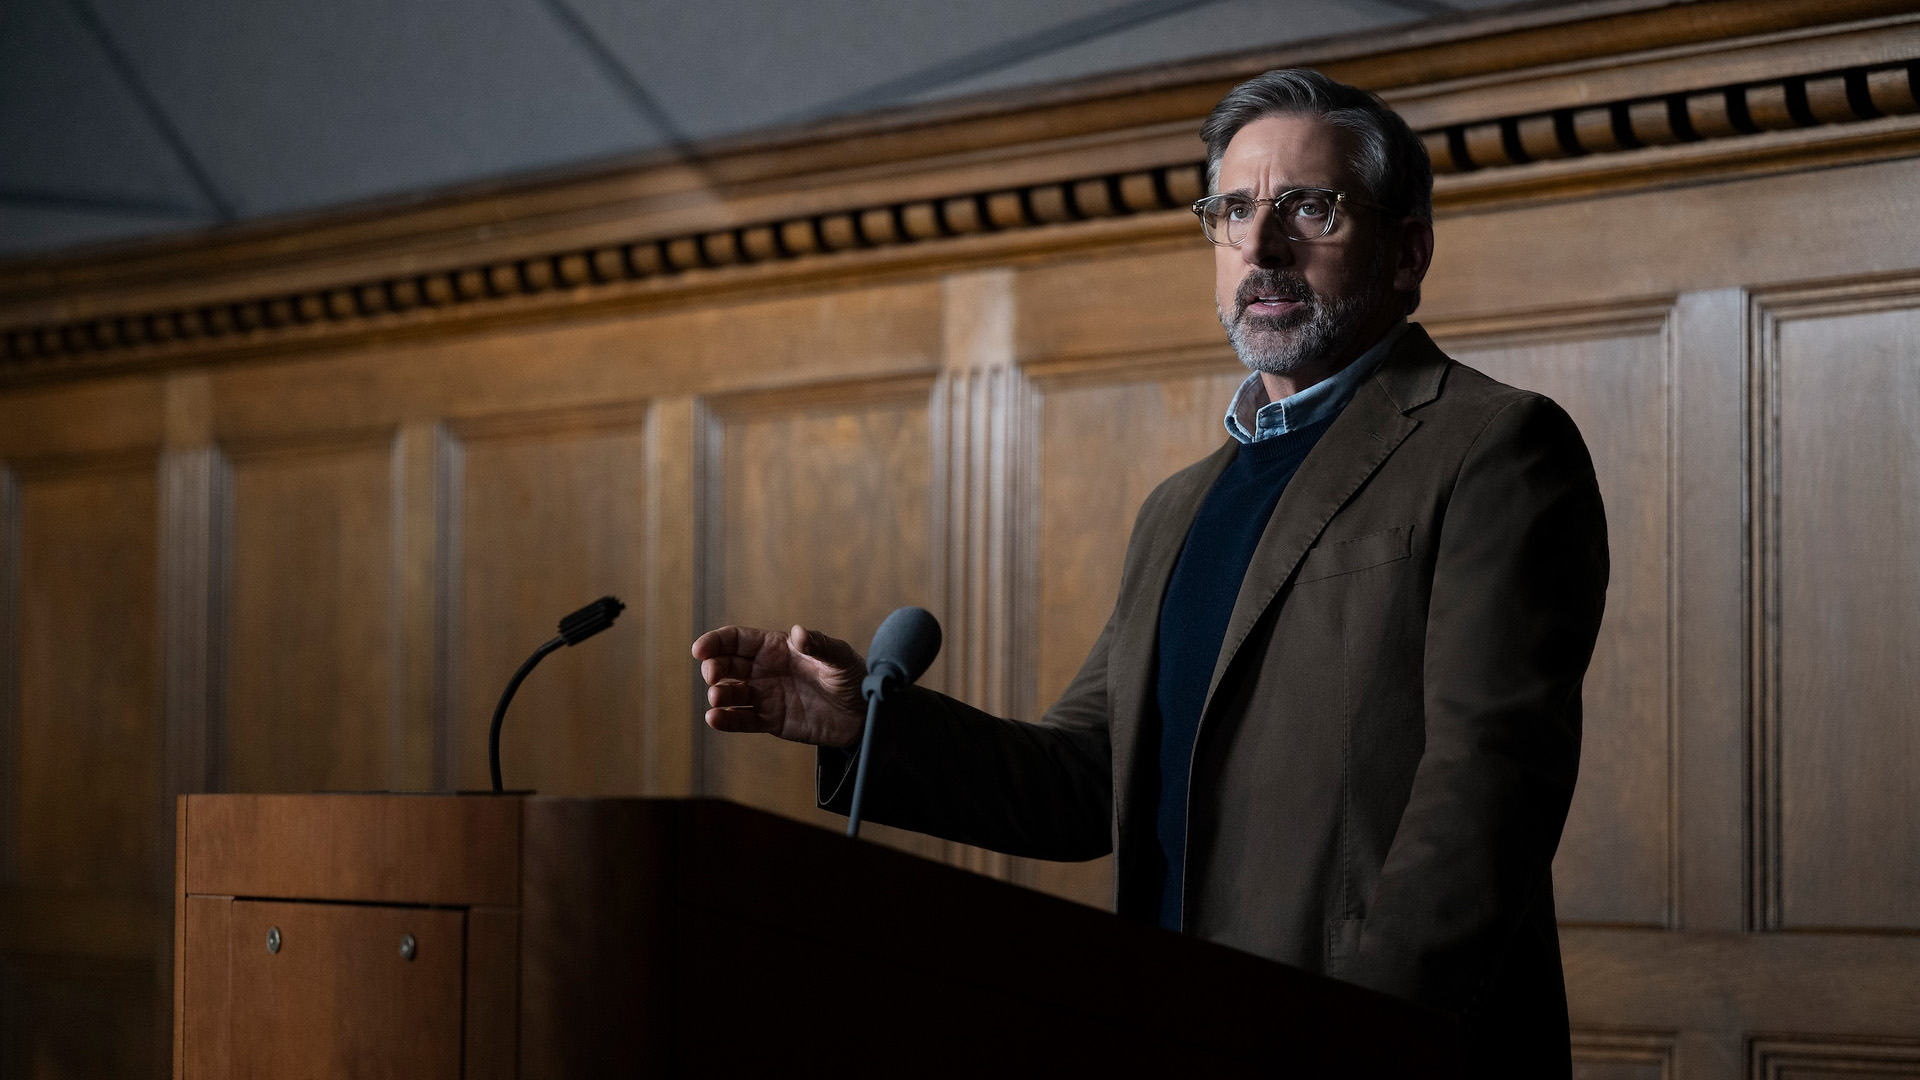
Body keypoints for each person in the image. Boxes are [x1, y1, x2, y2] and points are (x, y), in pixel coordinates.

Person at [693, 68, 1607, 1077]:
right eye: (1234, 210)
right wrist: (868, 728)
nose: (1263, 247)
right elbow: (1085, 778)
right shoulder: (1180, 507)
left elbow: (1485, 798)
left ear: (1409, 249)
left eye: (1311, 206)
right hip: (1177, 1029)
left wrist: (1355, 1038)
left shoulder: (1493, 449)